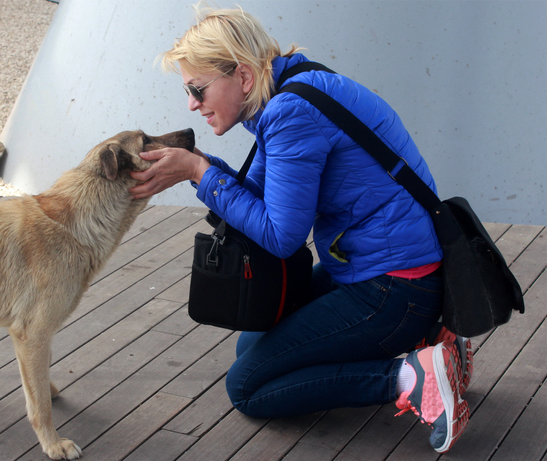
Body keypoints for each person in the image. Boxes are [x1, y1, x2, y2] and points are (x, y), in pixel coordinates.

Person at [129, 5, 473, 454]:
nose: (192, 104)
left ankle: (411, 377)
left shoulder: (291, 114)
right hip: (377, 267)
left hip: (395, 287)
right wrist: (201, 170)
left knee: (248, 387)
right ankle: (436, 341)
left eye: (197, 89)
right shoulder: (293, 89)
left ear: (245, 78)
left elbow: (280, 235)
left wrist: (199, 173)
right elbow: (258, 196)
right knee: (251, 348)